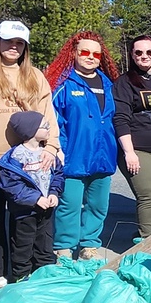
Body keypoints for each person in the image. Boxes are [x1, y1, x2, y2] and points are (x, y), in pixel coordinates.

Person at [0, 20, 60, 289]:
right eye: (8, 41)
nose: (13, 47)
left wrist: (52, 148)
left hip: (30, 158)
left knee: (29, 216)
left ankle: (29, 265)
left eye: (19, 43)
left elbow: (48, 116)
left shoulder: (35, 76)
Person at [45, 31, 119, 260]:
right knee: (70, 206)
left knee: (98, 205)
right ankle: (64, 246)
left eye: (96, 54)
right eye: (85, 52)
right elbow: (55, 121)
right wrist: (59, 150)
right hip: (73, 156)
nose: (90, 57)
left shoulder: (109, 84)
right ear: (74, 54)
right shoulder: (64, 84)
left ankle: (90, 245)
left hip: (103, 155)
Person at [114, 36, 151, 239]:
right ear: (131, 55)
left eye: (149, 52)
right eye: (138, 52)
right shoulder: (124, 82)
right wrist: (129, 152)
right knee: (149, 196)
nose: (144, 56)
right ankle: (148, 245)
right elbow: (120, 118)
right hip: (138, 149)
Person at [0, 111, 65, 281]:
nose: (49, 128)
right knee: (23, 244)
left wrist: (54, 193)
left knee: (45, 243)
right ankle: (21, 275)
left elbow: (58, 175)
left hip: (46, 209)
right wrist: (35, 198)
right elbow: (12, 185)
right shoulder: (16, 156)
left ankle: (45, 274)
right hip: (25, 211)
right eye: (44, 126)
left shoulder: (48, 154)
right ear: (30, 131)